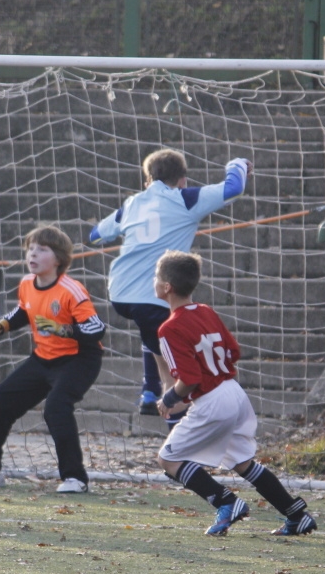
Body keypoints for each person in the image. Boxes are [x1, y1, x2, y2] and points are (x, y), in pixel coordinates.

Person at [152, 250, 316, 536]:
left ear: (167, 287)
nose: (154, 281)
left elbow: (189, 379)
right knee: (242, 463)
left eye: (157, 277)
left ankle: (226, 501)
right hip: (233, 392)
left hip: (214, 399)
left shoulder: (169, 328)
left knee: (168, 459)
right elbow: (234, 351)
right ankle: (296, 514)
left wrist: (169, 399)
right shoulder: (206, 311)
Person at [89, 150, 250, 416]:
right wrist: (238, 163)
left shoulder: (132, 203)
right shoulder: (186, 199)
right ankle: (180, 451)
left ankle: (149, 391)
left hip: (120, 292)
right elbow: (234, 187)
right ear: (183, 180)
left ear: (148, 182)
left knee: (153, 331)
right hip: (155, 295)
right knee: (175, 383)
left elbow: (95, 236)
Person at [0, 225, 105, 493]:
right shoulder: (26, 284)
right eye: (30, 248)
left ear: (58, 258)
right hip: (43, 357)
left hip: (79, 359)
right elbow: (23, 310)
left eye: (42, 249)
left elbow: (96, 328)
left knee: (56, 408)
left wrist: (62, 329)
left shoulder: (72, 290)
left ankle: (75, 479)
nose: (33, 254)